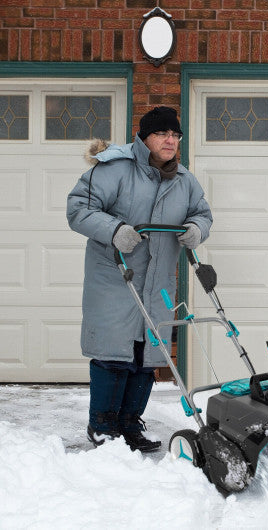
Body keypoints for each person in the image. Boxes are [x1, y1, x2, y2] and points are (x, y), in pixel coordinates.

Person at [67, 106, 213, 452]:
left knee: (147, 356)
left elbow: (202, 214)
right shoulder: (114, 169)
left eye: (175, 135)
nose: (170, 140)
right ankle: (103, 425)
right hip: (115, 279)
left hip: (158, 282)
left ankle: (130, 424)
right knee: (113, 354)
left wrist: (196, 229)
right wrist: (115, 229)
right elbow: (78, 209)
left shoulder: (185, 180)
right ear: (144, 137)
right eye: (162, 133)